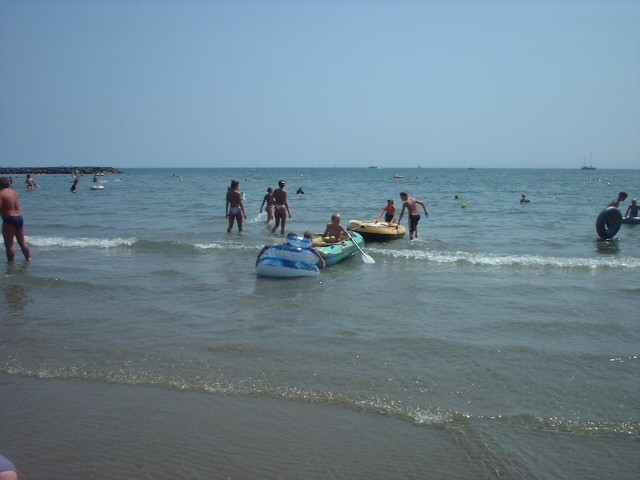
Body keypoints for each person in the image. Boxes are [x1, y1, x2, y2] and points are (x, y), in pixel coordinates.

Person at [0, 177, 31, 262]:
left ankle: (11, 265)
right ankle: (28, 259)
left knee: (9, 245)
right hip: (19, 218)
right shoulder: (15, 193)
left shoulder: (1, 193)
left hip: (9, 219)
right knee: (22, 243)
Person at [255, 231, 325, 268]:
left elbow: (266, 247)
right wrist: (321, 260)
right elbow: (312, 249)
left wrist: (259, 257)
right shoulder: (299, 247)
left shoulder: (284, 245)